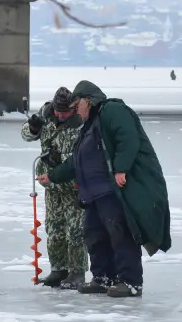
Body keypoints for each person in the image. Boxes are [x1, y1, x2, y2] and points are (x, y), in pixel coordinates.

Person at [38, 80, 171, 298]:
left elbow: (127, 139)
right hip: (92, 195)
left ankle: (130, 281)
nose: (74, 110)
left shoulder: (113, 110)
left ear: (87, 100)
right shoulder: (89, 125)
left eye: (76, 104)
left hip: (111, 191)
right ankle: (103, 277)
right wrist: (52, 176)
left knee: (120, 235)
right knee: (94, 235)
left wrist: (120, 169)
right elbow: (76, 161)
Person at [22, 86, 88, 289]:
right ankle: (58, 269)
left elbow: (80, 159)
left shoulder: (80, 124)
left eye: (65, 112)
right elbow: (27, 136)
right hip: (50, 186)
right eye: (58, 112)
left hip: (72, 186)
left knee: (75, 231)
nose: (60, 115)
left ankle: (76, 272)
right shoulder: (47, 115)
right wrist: (32, 127)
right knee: (54, 228)